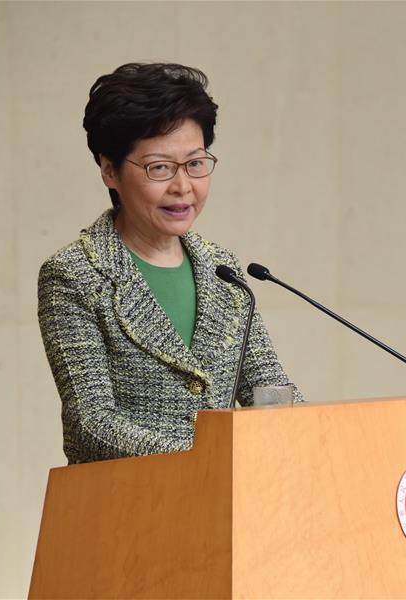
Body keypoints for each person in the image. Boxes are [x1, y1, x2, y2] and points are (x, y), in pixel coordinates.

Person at [38, 63, 303, 464]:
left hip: (225, 506)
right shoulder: (75, 274)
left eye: (195, 163)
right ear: (109, 169)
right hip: (125, 510)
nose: (183, 186)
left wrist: (313, 429)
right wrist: (209, 455)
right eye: (160, 167)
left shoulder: (223, 270)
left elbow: (269, 390)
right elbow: (93, 423)